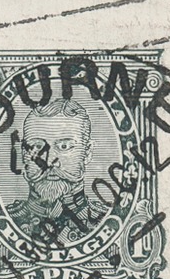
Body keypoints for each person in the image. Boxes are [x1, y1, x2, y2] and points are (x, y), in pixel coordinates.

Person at [6, 98, 111, 244]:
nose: (50, 162)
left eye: (64, 147)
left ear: (87, 153)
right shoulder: (6, 221)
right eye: (37, 147)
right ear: (24, 154)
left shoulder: (107, 222)